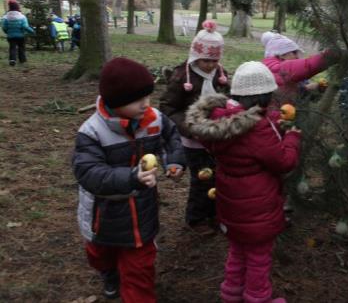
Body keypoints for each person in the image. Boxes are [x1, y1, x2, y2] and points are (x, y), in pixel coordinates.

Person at [185, 61, 301, 303]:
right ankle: (258, 297)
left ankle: (232, 292)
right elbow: (284, 161)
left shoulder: (219, 123)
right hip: (257, 210)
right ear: (265, 97)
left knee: (237, 251)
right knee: (259, 257)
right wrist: (291, 137)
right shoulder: (258, 130)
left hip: (231, 204)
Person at [72, 57, 186, 302]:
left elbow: (171, 138)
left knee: (139, 269)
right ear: (116, 102)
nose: (147, 104)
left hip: (142, 211)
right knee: (99, 254)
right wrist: (131, 176)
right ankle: (109, 272)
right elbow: (88, 173)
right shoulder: (92, 132)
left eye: (148, 96)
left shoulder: (154, 119)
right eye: (138, 99)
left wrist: (175, 161)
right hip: (104, 214)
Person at [159, 20, 230, 235]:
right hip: (193, 139)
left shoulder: (220, 74)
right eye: (205, 60)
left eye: (214, 60)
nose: (209, 65)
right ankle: (196, 218)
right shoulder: (183, 76)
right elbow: (167, 107)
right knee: (202, 177)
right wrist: (189, 127)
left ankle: (215, 213)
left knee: (219, 175)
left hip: (217, 136)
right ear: (196, 55)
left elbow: (228, 97)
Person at [260, 31, 331, 104]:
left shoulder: (270, 65)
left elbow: (290, 89)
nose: (297, 56)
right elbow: (309, 65)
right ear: (281, 54)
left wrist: (316, 88)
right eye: (294, 52)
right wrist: (333, 54)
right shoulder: (279, 68)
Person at [2, 0, 35, 66]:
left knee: (12, 48)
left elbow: (4, 27)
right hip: (21, 36)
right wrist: (32, 31)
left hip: (10, 36)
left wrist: (7, 32)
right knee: (21, 48)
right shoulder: (22, 17)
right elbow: (25, 26)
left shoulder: (6, 17)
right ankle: (22, 60)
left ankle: (12, 60)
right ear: (17, 7)